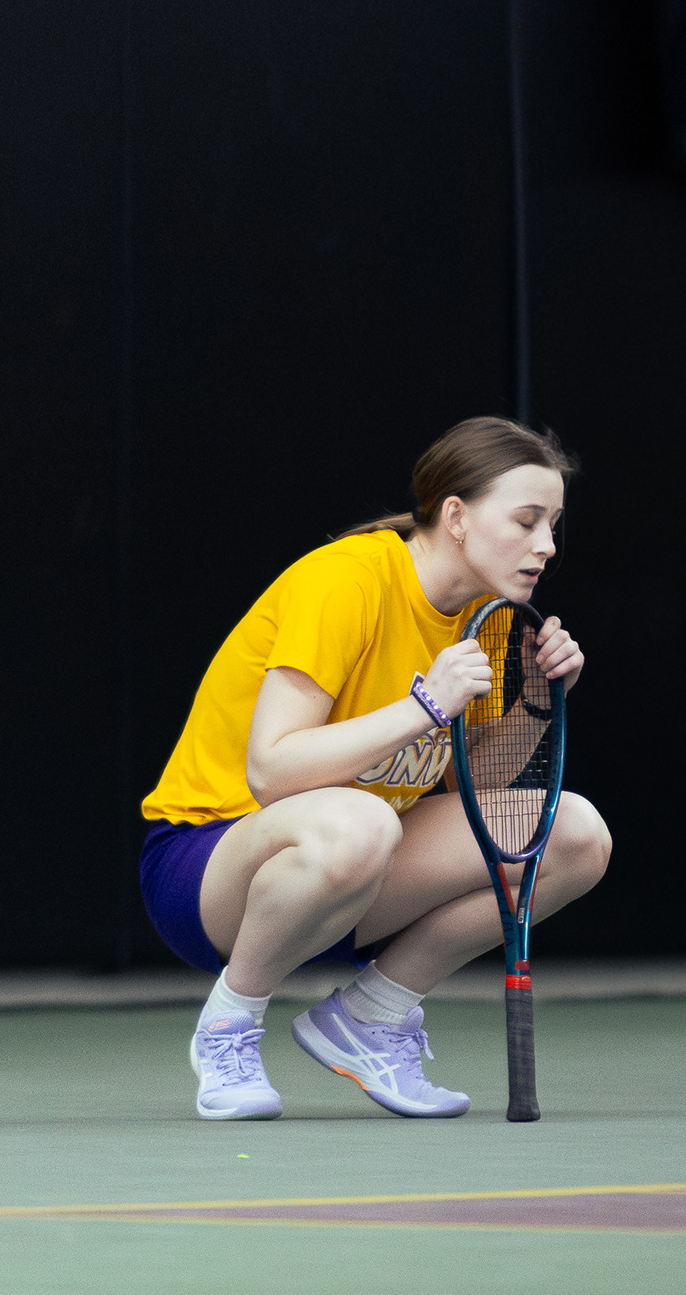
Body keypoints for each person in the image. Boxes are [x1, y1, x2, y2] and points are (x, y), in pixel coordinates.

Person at [138, 417, 612, 1120]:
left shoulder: (486, 620)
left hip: (357, 866)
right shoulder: (347, 579)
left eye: (553, 524)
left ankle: (372, 1015)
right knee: (361, 822)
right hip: (211, 866)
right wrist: (425, 706)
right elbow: (271, 770)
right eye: (526, 521)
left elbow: (479, 802)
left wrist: (537, 703)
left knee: (572, 834)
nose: (545, 544)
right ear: (456, 516)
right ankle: (228, 1025)